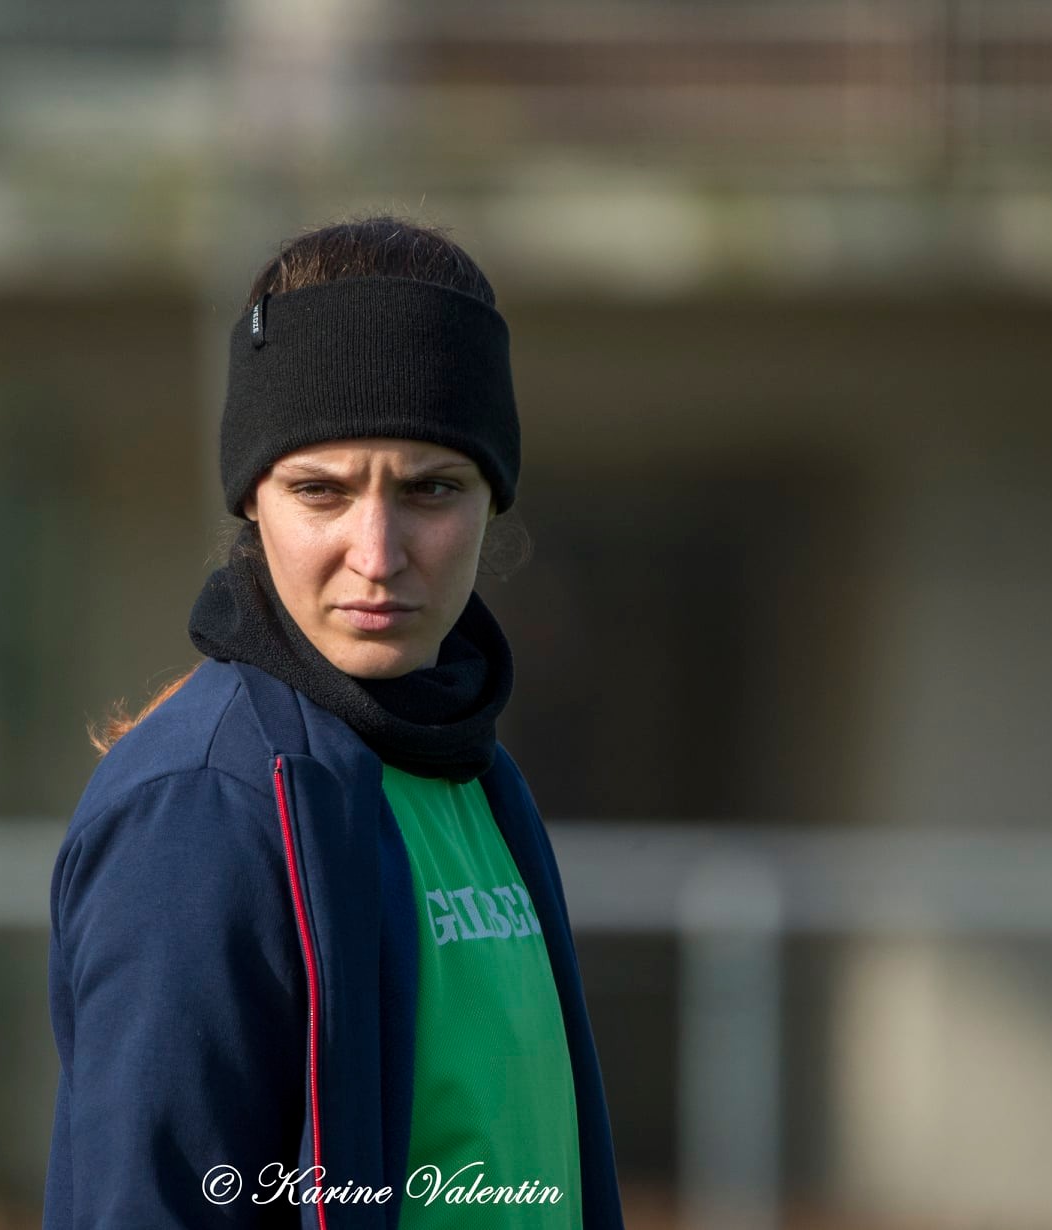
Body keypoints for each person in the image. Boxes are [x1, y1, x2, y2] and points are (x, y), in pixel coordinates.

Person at [45, 218, 622, 1228]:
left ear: (493, 503)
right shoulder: (203, 807)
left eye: (431, 488)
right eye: (321, 490)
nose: (378, 550)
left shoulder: (477, 776)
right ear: (253, 505)